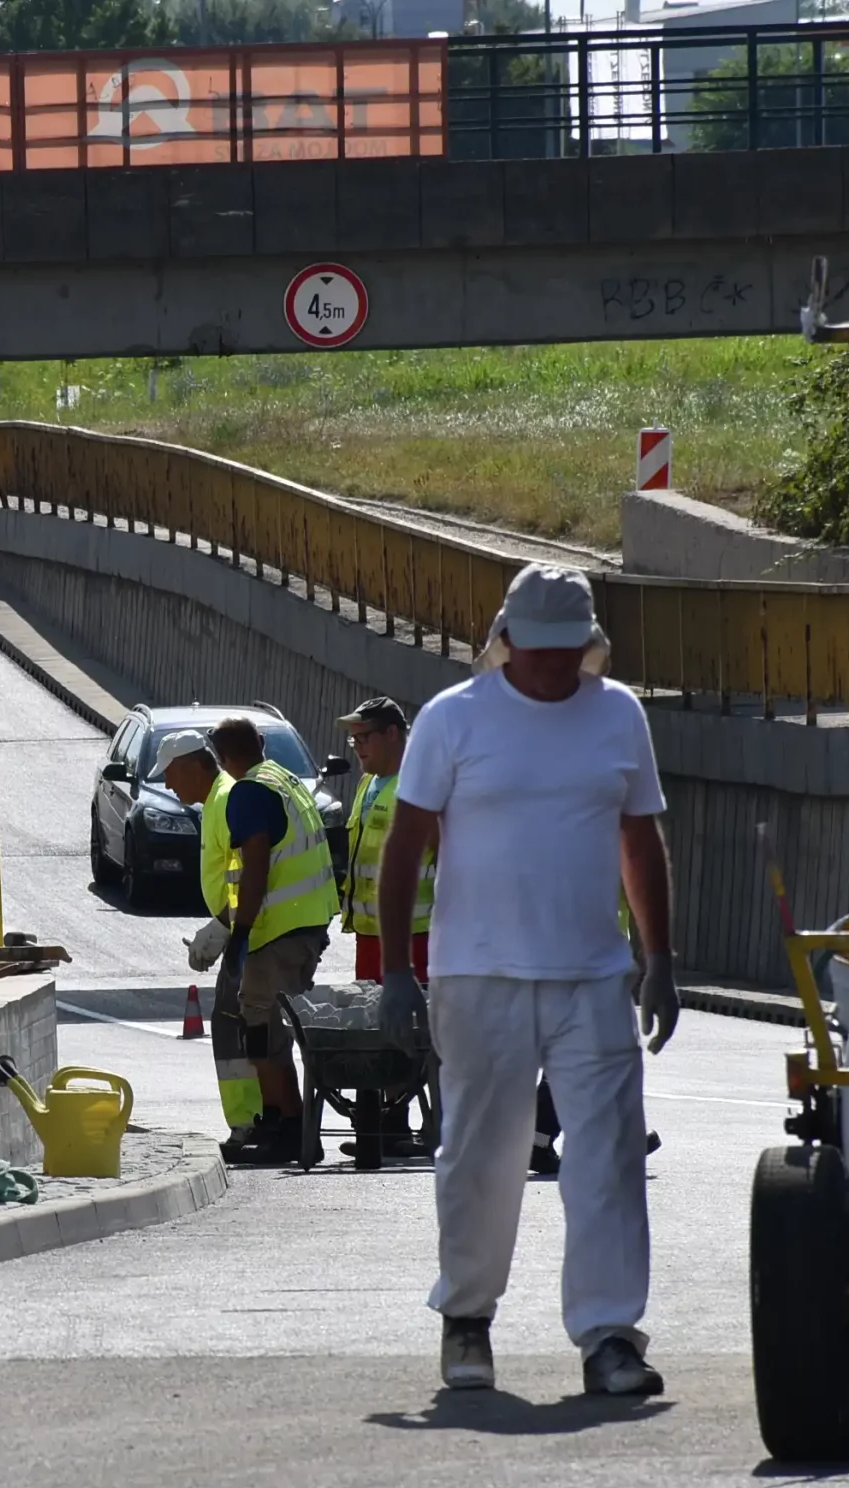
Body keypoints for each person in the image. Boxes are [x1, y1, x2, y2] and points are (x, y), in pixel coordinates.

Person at [374, 563, 680, 1399]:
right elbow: (404, 847)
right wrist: (399, 970)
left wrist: (660, 958)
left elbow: (639, 840)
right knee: (482, 1154)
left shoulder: (619, 716)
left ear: (590, 645)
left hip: (592, 974)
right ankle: (467, 1319)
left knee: (611, 1153)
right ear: (505, 641)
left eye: (565, 651)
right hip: (479, 975)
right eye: (535, 650)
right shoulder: (453, 719)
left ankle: (610, 1333)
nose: (549, 666)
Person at [210, 716, 338, 1165]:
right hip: (307, 923)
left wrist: (239, 930)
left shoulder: (248, 791)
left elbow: (257, 865)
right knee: (270, 1025)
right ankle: (283, 1121)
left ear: (223, 760)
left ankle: (289, 1126)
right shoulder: (284, 778)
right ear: (261, 743)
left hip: (279, 930)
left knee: (259, 1025)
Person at [338, 696, 437, 1162]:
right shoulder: (370, 785)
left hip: (416, 932)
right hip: (372, 934)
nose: (357, 746)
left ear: (393, 735)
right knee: (379, 1029)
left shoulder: (420, 784)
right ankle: (389, 1124)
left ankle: (428, 1125)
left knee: (417, 1032)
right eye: (353, 738)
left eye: (364, 737)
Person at [160, 730, 265, 1146]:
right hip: (246, 930)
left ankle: (251, 1121)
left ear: (191, 765)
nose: (168, 785)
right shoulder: (218, 799)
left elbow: (244, 876)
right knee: (245, 1025)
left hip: (247, 933)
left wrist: (222, 928)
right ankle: (259, 1117)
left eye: (170, 774)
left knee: (231, 1026)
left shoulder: (223, 801)